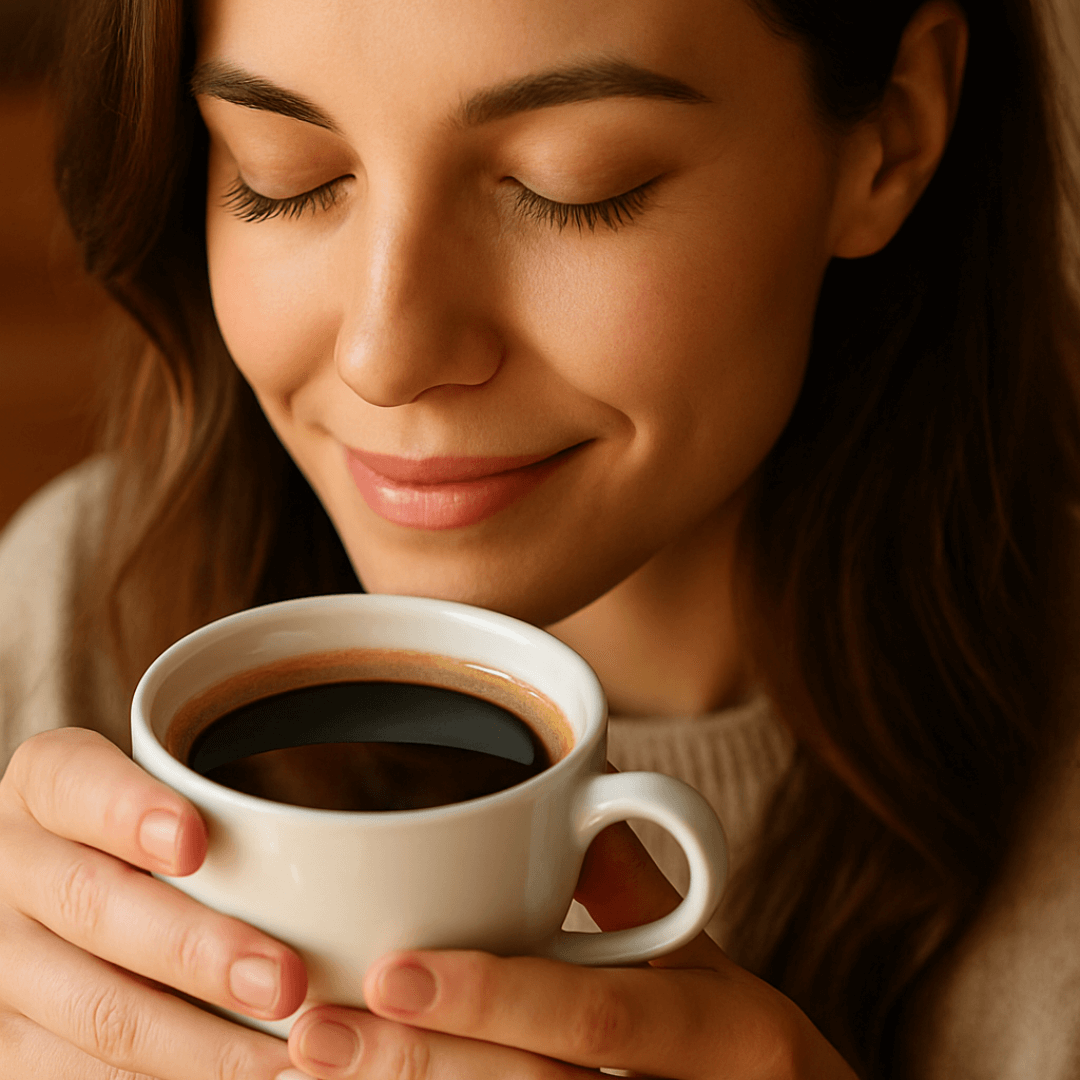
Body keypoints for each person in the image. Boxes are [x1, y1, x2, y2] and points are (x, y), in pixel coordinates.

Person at [1, 0, 1078, 1075]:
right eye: (283, 174)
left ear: (892, 134)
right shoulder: (69, 618)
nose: (387, 353)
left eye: (575, 184)